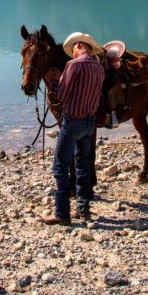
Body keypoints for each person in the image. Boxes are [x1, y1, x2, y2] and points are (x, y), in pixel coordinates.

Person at [42, 31, 105, 225]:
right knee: (83, 165)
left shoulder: (73, 65)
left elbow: (62, 95)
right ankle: (83, 210)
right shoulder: (99, 67)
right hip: (89, 123)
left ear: (78, 46)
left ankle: (62, 213)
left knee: (60, 167)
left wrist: (53, 81)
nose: (72, 53)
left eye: (73, 49)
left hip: (72, 123)